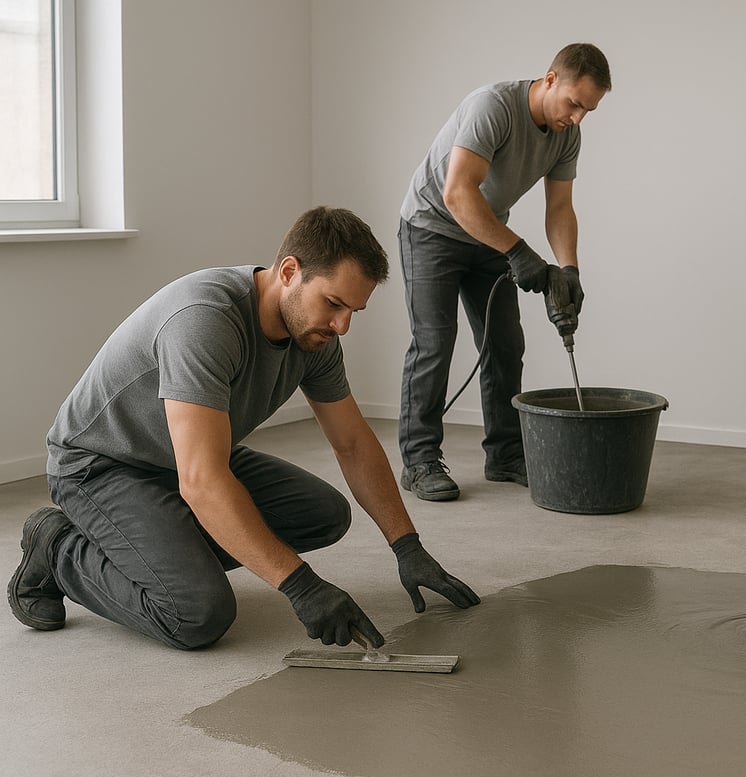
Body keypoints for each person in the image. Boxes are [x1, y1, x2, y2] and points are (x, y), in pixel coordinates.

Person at [7, 207, 480, 650]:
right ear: (290, 272)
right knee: (196, 613)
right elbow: (202, 480)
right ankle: (58, 546)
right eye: (334, 303)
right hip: (103, 465)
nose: (342, 325)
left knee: (323, 514)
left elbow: (353, 444)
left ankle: (159, 546)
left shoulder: (314, 337)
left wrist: (407, 545)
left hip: (184, 456)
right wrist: (301, 586)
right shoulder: (206, 321)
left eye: (353, 311)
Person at [396, 42, 611, 501]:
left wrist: (568, 268)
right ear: (549, 79)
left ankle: (506, 454)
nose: (577, 118)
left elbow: (560, 208)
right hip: (432, 226)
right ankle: (419, 461)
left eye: (588, 110)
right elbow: (458, 193)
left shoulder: (566, 134)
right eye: (574, 104)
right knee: (435, 342)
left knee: (505, 345)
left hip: (487, 231)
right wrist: (516, 251)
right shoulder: (493, 107)